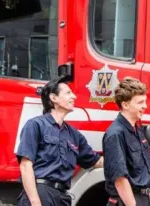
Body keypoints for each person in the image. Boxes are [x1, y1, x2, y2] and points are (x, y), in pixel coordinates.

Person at [16, 76, 103, 206]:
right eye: (68, 93)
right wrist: (35, 202)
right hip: (41, 194)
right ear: (53, 98)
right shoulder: (35, 125)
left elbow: (96, 161)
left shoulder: (74, 135)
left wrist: (125, 162)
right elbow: (25, 165)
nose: (74, 96)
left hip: (62, 198)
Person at [102, 77, 150, 206]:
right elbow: (120, 179)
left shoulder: (137, 131)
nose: (145, 106)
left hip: (142, 199)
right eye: (140, 102)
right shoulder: (115, 134)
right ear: (125, 105)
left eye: (145, 101)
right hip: (127, 201)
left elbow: (141, 174)